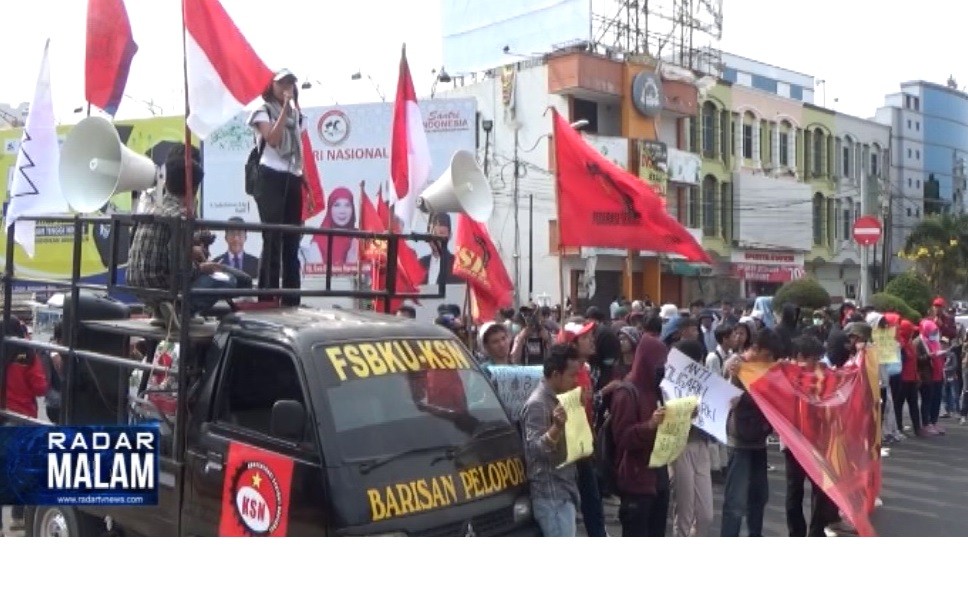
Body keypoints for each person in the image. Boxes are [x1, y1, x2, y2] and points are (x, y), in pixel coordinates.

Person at [127, 144, 240, 329]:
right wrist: (202, 268)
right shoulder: (180, 217)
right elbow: (180, 270)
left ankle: (161, 310)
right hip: (164, 286)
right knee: (231, 280)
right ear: (193, 188)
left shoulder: (150, 207)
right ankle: (181, 310)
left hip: (136, 285)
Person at [248, 69, 311, 306]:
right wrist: (285, 108)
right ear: (272, 86)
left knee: (292, 241)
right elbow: (273, 139)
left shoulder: (299, 117)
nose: (287, 87)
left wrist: (304, 180)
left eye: (291, 83)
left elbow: (298, 151)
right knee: (272, 238)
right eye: (282, 83)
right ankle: (267, 297)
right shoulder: (262, 111)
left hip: (291, 176)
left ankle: (292, 299)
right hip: (269, 177)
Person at [720, 328, 784, 537]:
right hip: (739, 441)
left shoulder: (767, 368)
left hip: (759, 440)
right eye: (767, 356)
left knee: (759, 497)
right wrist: (733, 375)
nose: (768, 362)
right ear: (755, 348)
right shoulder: (735, 365)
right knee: (736, 502)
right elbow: (726, 399)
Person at [609, 334, 668, 536]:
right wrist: (649, 425)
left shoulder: (657, 391)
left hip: (657, 479)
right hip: (636, 482)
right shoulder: (627, 393)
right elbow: (622, 437)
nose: (662, 369)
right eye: (659, 364)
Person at [520, 344, 582, 536]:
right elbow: (534, 451)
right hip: (551, 495)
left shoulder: (561, 398)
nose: (575, 381)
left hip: (565, 489)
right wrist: (556, 428)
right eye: (572, 375)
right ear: (556, 375)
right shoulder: (538, 404)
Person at [784, 335, 840, 536]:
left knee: (821, 489)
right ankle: (796, 533)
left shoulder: (822, 375)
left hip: (818, 441)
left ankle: (816, 532)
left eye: (818, 359)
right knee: (794, 490)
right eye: (813, 359)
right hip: (792, 442)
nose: (817, 364)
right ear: (799, 356)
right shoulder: (782, 374)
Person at [669, 339, 715, 537]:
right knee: (685, 513)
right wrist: (684, 413)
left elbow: (718, 412)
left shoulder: (707, 384)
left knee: (706, 515)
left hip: (702, 446)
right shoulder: (668, 382)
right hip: (679, 448)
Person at [311, 186, 359, 269]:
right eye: (337, 205)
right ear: (330, 209)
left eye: (347, 205)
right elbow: (315, 276)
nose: (342, 211)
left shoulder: (358, 237)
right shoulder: (319, 240)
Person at [419, 213, 461, 285]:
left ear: (450, 235)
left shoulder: (457, 266)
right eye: (434, 233)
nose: (437, 238)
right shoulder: (420, 264)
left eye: (441, 233)